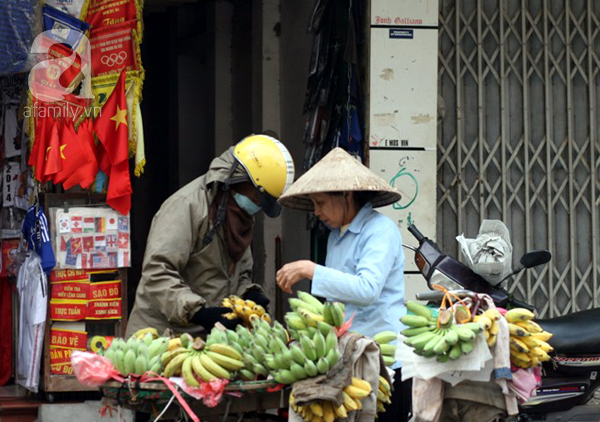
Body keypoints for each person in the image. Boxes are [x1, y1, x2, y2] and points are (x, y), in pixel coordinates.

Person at [275, 147, 412, 422]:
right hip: (348, 361)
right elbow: (337, 303)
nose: (317, 211)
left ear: (346, 195)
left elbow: (367, 289)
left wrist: (311, 269)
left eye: (321, 202)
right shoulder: (335, 237)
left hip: (384, 363)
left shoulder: (380, 231)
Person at [126, 135, 295, 337]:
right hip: (161, 335)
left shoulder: (239, 217)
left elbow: (239, 274)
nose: (257, 205)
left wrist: (249, 293)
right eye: (257, 197)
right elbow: (157, 273)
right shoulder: (187, 206)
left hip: (208, 337)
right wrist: (198, 312)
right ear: (238, 179)